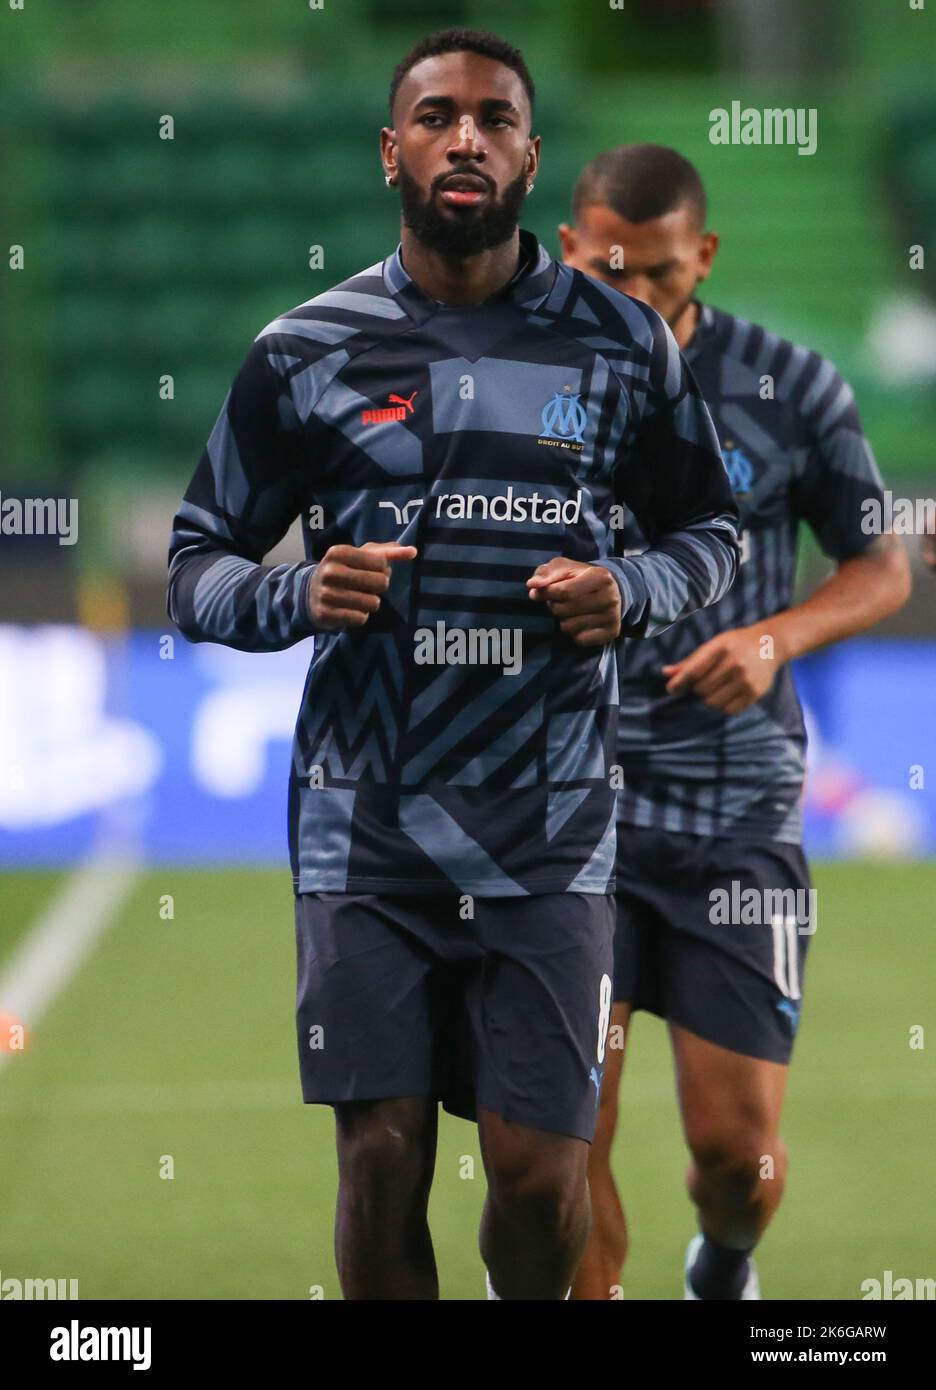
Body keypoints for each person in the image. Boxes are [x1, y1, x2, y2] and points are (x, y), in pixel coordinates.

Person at [167, 52, 739, 1301]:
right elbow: (194, 565)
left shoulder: (625, 341)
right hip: (363, 820)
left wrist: (628, 591)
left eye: (496, 120)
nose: (466, 138)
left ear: (531, 157)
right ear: (393, 152)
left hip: (549, 823)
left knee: (542, 1178)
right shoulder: (302, 351)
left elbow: (714, 533)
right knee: (379, 1162)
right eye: (438, 118)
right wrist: (292, 594)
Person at [559, 144, 912, 1300]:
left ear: (702, 256)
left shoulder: (792, 386)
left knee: (739, 1156)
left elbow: (880, 567)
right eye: (612, 276)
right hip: (568, 812)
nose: (639, 302)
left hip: (734, 814)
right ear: (569, 252)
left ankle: (726, 1260)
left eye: (661, 276)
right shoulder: (516, 384)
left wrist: (773, 639)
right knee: (565, 1146)